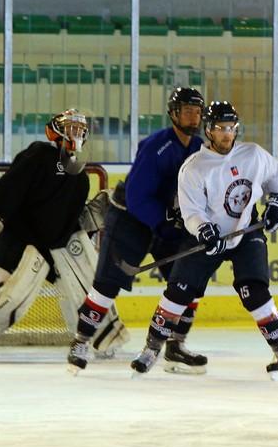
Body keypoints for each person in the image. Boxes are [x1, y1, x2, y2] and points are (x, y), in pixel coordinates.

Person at [128, 100, 278, 381]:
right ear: (208, 130)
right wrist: (205, 231)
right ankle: (151, 349)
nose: (227, 134)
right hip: (208, 236)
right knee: (179, 292)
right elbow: (192, 211)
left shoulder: (253, 154)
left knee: (254, 291)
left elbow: (275, 175)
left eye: (231, 128)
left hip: (245, 231)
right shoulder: (194, 168)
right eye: (220, 128)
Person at [0, 108, 127, 360]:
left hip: (51, 245)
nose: (75, 133)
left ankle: (102, 335)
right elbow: (9, 189)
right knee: (1, 282)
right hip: (19, 235)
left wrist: (97, 214)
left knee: (87, 280)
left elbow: (68, 220)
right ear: (56, 132)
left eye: (79, 129)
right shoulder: (40, 155)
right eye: (70, 127)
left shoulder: (80, 178)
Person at [66, 87, 209, 375]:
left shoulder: (198, 149)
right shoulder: (157, 146)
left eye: (197, 111)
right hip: (130, 218)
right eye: (187, 110)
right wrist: (162, 224)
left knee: (188, 281)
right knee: (108, 283)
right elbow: (137, 195)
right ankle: (80, 342)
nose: (193, 117)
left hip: (168, 222)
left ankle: (176, 344)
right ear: (173, 114)